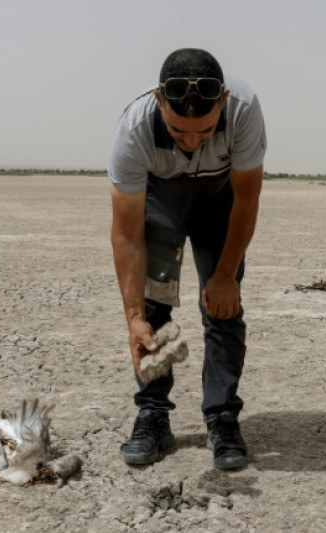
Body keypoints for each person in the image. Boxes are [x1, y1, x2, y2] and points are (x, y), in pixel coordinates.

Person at [107, 48, 266, 470]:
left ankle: (222, 418)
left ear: (224, 102)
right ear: (159, 101)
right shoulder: (134, 128)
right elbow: (126, 231)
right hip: (162, 199)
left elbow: (247, 201)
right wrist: (133, 315)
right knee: (155, 309)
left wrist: (226, 275)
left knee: (222, 307)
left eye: (205, 131)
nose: (193, 142)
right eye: (179, 132)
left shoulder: (245, 111)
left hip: (220, 201)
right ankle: (153, 415)